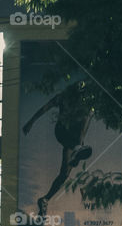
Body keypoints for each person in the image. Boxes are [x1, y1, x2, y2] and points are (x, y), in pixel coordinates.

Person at [21, 81, 93, 217]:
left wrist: (80, 143)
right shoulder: (63, 97)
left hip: (73, 140)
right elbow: (45, 108)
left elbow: (83, 127)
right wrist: (31, 122)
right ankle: (77, 150)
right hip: (62, 132)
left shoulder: (85, 105)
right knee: (87, 113)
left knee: (64, 174)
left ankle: (45, 200)